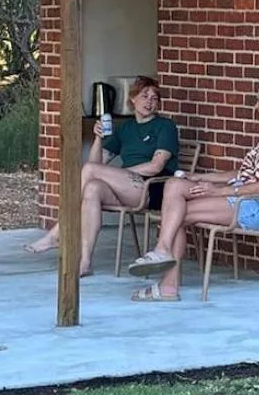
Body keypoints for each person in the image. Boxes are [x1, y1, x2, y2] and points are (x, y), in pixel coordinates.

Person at [126, 76, 259, 301]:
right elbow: (241, 175)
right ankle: (163, 261)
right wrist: (198, 176)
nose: (256, 107)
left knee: (175, 215)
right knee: (174, 185)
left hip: (256, 206)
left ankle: (167, 279)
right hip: (239, 197)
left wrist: (217, 191)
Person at [24, 76, 179, 276]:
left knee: (89, 172)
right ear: (132, 99)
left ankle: (59, 231)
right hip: (127, 187)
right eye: (144, 96)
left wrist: (121, 174)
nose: (149, 101)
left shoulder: (165, 126)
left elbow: (156, 166)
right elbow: (98, 163)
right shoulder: (126, 128)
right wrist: (98, 138)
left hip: (152, 187)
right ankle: (85, 262)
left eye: (154, 98)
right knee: (92, 188)